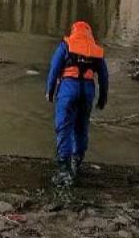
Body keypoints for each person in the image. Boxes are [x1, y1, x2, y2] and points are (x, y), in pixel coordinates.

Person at [45, 20, 109, 188]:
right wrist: (102, 98)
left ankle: (64, 169)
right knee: (81, 127)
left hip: (68, 90)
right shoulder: (95, 51)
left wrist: (50, 92)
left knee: (64, 127)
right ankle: (76, 160)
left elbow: (54, 69)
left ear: (74, 31)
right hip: (87, 92)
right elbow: (103, 77)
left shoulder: (66, 46)